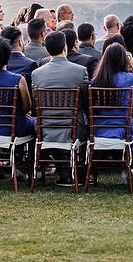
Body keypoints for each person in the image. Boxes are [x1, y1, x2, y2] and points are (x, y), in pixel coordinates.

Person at [31, 31, 90, 185]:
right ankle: (79, 172)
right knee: (85, 120)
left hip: (44, 128)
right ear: (65, 47)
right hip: (74, 128)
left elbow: (34, 102)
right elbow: (85, 100)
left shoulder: (36, 73)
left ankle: (65, 172)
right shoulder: (80, 71)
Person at [90, 43, 133, 154]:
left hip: (98, 127)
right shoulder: (128, 78)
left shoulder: (96, 80)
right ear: (123, 60)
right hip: (122, 126)